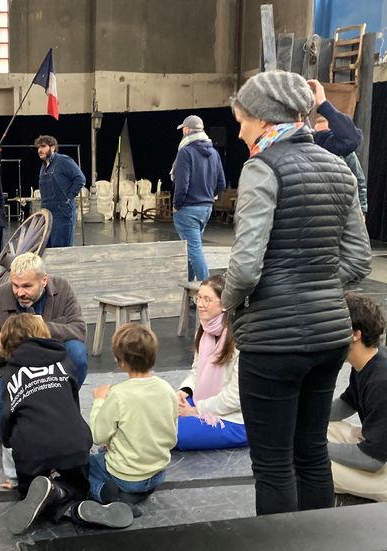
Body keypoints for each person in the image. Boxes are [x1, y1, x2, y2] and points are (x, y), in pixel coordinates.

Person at [223, 70, 372, 516]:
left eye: (243, 120)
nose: (240, 130)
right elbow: (359, 259)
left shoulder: (261, 167)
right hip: (330, 337)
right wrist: (319, 287)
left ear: (264, 120)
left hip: (273, 343)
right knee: (311, 453)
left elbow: (246, 266)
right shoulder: (338, 167)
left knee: (272, 465)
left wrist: (230, 305)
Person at [0, 313, 133, 535]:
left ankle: (56, 497)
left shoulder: (11, 373)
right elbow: (72, 405)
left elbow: (8, 421)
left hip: (33, 451)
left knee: (30, 492)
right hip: (74, 443)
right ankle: (75, 504)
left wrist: (13, 476)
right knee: (80, 486)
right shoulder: (64, 361)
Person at [0, 252, 87, 442]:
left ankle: (63, 405)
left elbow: (78, 330)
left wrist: (40, 328)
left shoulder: (62, 288)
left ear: (44, 280)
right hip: (10, 368)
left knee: (77, 351)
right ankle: (31, 418)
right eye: (15, 285)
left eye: (27, 286)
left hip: (52, 366)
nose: (20, 292)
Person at [89, 323, 177, 505]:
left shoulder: (118, 394)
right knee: (105, 450)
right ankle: (134, 494)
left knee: (83, 467)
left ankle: (110, 497)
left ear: (120, 361)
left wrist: (98, 401)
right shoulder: (167, 388)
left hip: (127, 477)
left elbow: (97, 435)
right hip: (158, 473)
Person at [175, 274, 247, 450]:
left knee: (171, 432)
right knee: (158, 413)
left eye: (207, 299)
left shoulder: (241, 340)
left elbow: (235, 397)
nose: (199, 304)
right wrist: (185, 390)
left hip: (233, 418)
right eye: (198, 297)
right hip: (203, 400)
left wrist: (196, 410)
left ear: (223, 305)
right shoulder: (205, 330)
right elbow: (196, 370)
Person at [328, 293, 387, 503]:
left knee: (303, 462)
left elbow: (372, 459)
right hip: (377, 449)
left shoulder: (382, 379)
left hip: (378, 462)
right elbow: (347, 403)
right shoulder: (368, 361)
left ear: (355, 334)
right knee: (319, 428)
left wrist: (312, 447)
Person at [170, 115, 226, 281]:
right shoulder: (214, 153)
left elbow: (182, 184)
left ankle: (206, 289)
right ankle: (189, 288)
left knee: (194, 249)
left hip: (188, 208)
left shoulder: (185, 153)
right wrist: (209, 196)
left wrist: (177, 205)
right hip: (206, 208)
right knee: (191, 248)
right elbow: (221, 183)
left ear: (187, 130)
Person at [309, 80, 368, 215]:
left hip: (340, 209)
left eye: (327, 134)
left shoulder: (346, 153)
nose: (322, 136)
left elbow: (359, 181)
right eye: (319, 133)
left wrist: (362, 211)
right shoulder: (309, 146)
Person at [34, 135, 85, 248]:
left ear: (52, 148)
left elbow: (80, 178)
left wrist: (68, 198)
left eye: (43, 146)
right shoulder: (43, 166)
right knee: (47, 249)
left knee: (61, 250)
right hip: (47, 213)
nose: (39, 150)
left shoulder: (63, 160)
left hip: (62, 212)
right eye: (38, 147)